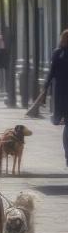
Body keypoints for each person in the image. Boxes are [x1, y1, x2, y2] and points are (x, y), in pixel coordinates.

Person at [43, 30, 68, 166]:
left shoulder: (57, 53)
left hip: (61, 94)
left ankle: (67, 154)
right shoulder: (58, 53)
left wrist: (45, 88)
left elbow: (51, 72)